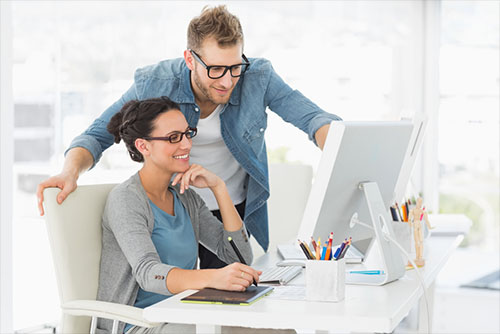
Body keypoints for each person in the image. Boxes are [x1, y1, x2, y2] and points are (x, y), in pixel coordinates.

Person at [36, 5, 341, 268]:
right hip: (173, 210)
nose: (227, 81)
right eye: (216, 69)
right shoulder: (156, 82)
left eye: (235, 67)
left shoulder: (258, 77)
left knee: (228, 301)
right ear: (190, 59)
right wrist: (69, 171)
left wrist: (338, 150)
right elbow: (97, 134)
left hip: (228, 208)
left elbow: (313, 118)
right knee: (170, 295)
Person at [97, 96, 259, 334]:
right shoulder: (127, 199)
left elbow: (240, 255)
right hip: (140, 324)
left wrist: (219, 189)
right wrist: (213, 278)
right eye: (174, 137)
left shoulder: (185, 197)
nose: (186, 145)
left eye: (187, 133)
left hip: (183, 315)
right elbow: (148, 273)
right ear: (144, 146)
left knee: (276, 330)